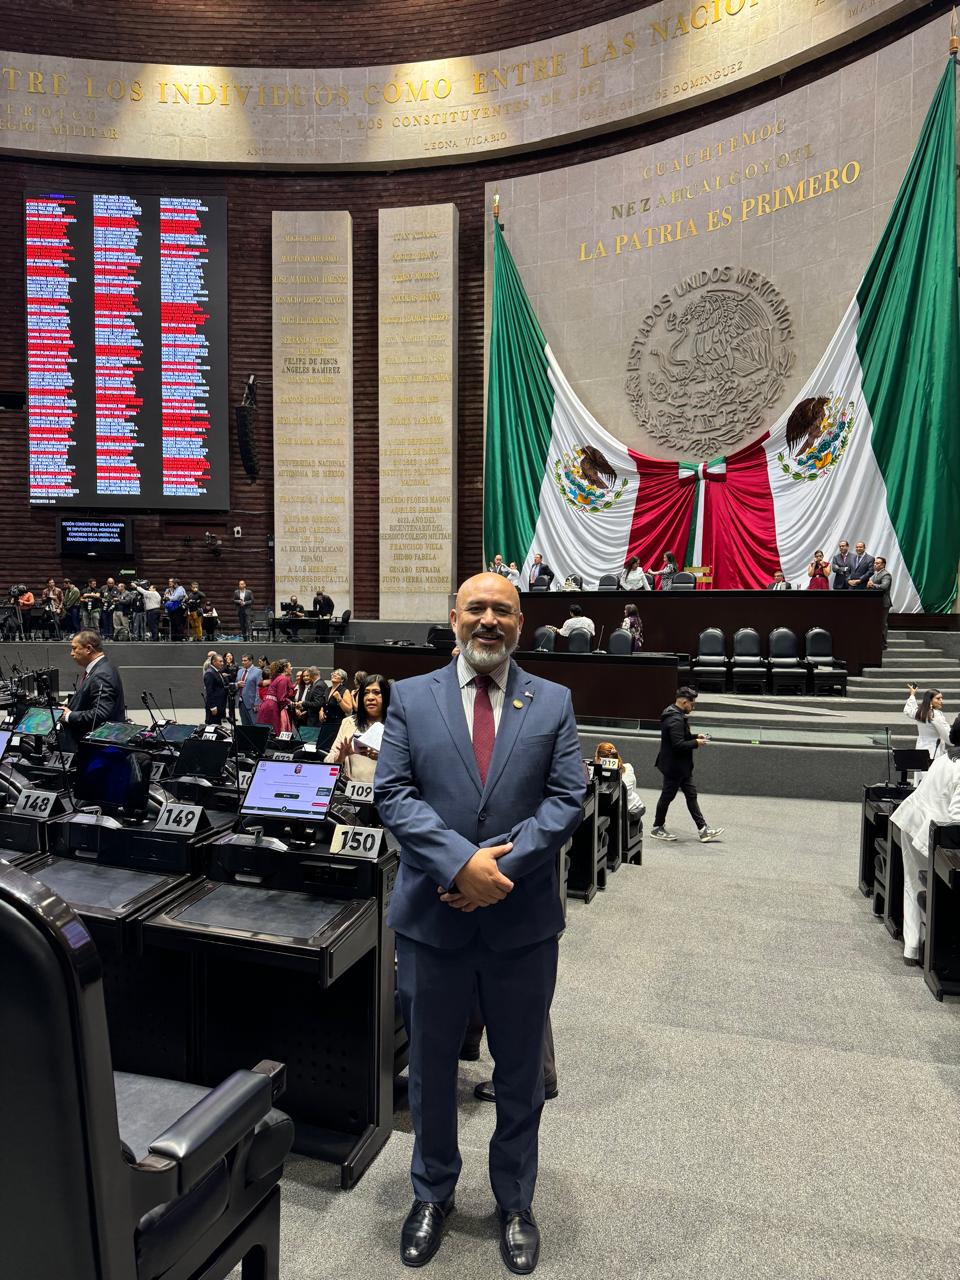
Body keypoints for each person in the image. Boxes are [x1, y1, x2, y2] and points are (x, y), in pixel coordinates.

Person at [375, 572, 585, 1273]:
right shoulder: (410, 697)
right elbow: (394, 794)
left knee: (520, 1073)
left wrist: (498, 873)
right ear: (453, 617)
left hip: (521, 925)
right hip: (433, 922)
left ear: (520, 622)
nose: (488, 621)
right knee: (432, 1071)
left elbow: (566, 800)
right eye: (476, 609)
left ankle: (515, 1201)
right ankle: (431, 1193)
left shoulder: (552, 702)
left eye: (502, 610)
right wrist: (458, 865)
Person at [890, 718, 960, 964]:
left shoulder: (945, 757)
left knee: (913, 882)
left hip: (913, 821)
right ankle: (937, 951)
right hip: (933, 832)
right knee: (926, 883)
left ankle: (912, 948)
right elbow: (956, 819)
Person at [650, 687, 723, 843]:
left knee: (691, 795)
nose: (693, 707)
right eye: (692, 703)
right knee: (667, 796)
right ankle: (657, 828)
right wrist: (696, 742)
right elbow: (678, 745)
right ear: (684, 701)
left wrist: (696, 736)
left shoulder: (674, 714)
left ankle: (703, 830)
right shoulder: (675, 719)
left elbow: (681, 737)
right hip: (674, 767)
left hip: (680, 766)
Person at [59, 630, 126, 751]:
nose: (71, 654)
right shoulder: (101, 667)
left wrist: (69, 715)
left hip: (97, 747)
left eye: (74, 648)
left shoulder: (102, 674)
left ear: (88, 649)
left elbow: (101, 714)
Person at [325, 672, 390, 785]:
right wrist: (341, 755)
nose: (370, 698)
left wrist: (384, 758)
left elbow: (411, 766)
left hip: (386, 792)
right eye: (365, 693)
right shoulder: (349, 723)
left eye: (376, 693)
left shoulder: (397, 726)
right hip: (350, 791)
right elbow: (328, 762)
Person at [594, 741, 645, 817]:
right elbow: (633, 789)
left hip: (614, 814)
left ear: (599, 759)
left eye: (596, 756)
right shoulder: (628, 767)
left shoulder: (596, 778)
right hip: (630, 807)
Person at [903, 686, 950, 761]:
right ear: (930, 701)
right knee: (933, 771)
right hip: (934, 751)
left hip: (920, 749)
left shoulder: (919, 712)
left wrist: (912, 694)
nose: (941, 701)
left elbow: (908, 710)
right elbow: (948, 736)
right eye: (938, 698)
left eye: (941, 698)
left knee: (922, 770)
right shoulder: (936, 715)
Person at [317, 668, 352, 752]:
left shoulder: (344, 690)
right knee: (321, 748)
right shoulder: (327, 690)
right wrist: (321, 711)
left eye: (338, 674)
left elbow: (349, 710)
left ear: (342, 679)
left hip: (336, 725)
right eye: (334, 673)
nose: (334, 675)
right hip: (326, 723)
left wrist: (339, 699)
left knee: (332, 750)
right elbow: (324, 704)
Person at [256, 659, 295, 734]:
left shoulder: (278, 678)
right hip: (271, 707)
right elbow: (281, 699)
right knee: (273, 731)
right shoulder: (283, 679)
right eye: (290, 666)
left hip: (267, 705)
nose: (291, 668)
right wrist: (292, 703)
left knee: (265, 730)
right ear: (285, 668)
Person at [867, 555, 892, 647]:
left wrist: (872, 585)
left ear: (883, 565)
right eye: (874, 563)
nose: (875, 565)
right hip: (875, 603)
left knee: (882, 623)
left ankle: (883, 643)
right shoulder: (874, 574)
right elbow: (870, 585)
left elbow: (884, 587)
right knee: (875, 622)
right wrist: (869, 585)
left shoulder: (886, 574)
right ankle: (876, 641)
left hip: (883, 603)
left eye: (877, 563)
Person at [236, 655, 262, 727]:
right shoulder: (240, 671)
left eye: (245, 660)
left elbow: (258, 688)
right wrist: (237, 684)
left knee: (254, 724)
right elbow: (236, 683)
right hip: (241, 702)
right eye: (242, 660)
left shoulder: (258, 672)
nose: (243, 662)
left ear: (250, 661)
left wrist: (257, 703)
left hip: (252, 703)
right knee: (244, 724)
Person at [203, 653, 226, 724]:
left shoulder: (217, 672)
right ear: (214, 662)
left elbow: (220, 687)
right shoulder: (210, 673)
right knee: (212, 727)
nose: (222, 663)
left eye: (222, 661)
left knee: (217, 726)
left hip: (219, 705)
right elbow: (209, 692)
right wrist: (213, 707)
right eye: (220, 661)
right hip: (214, 707)